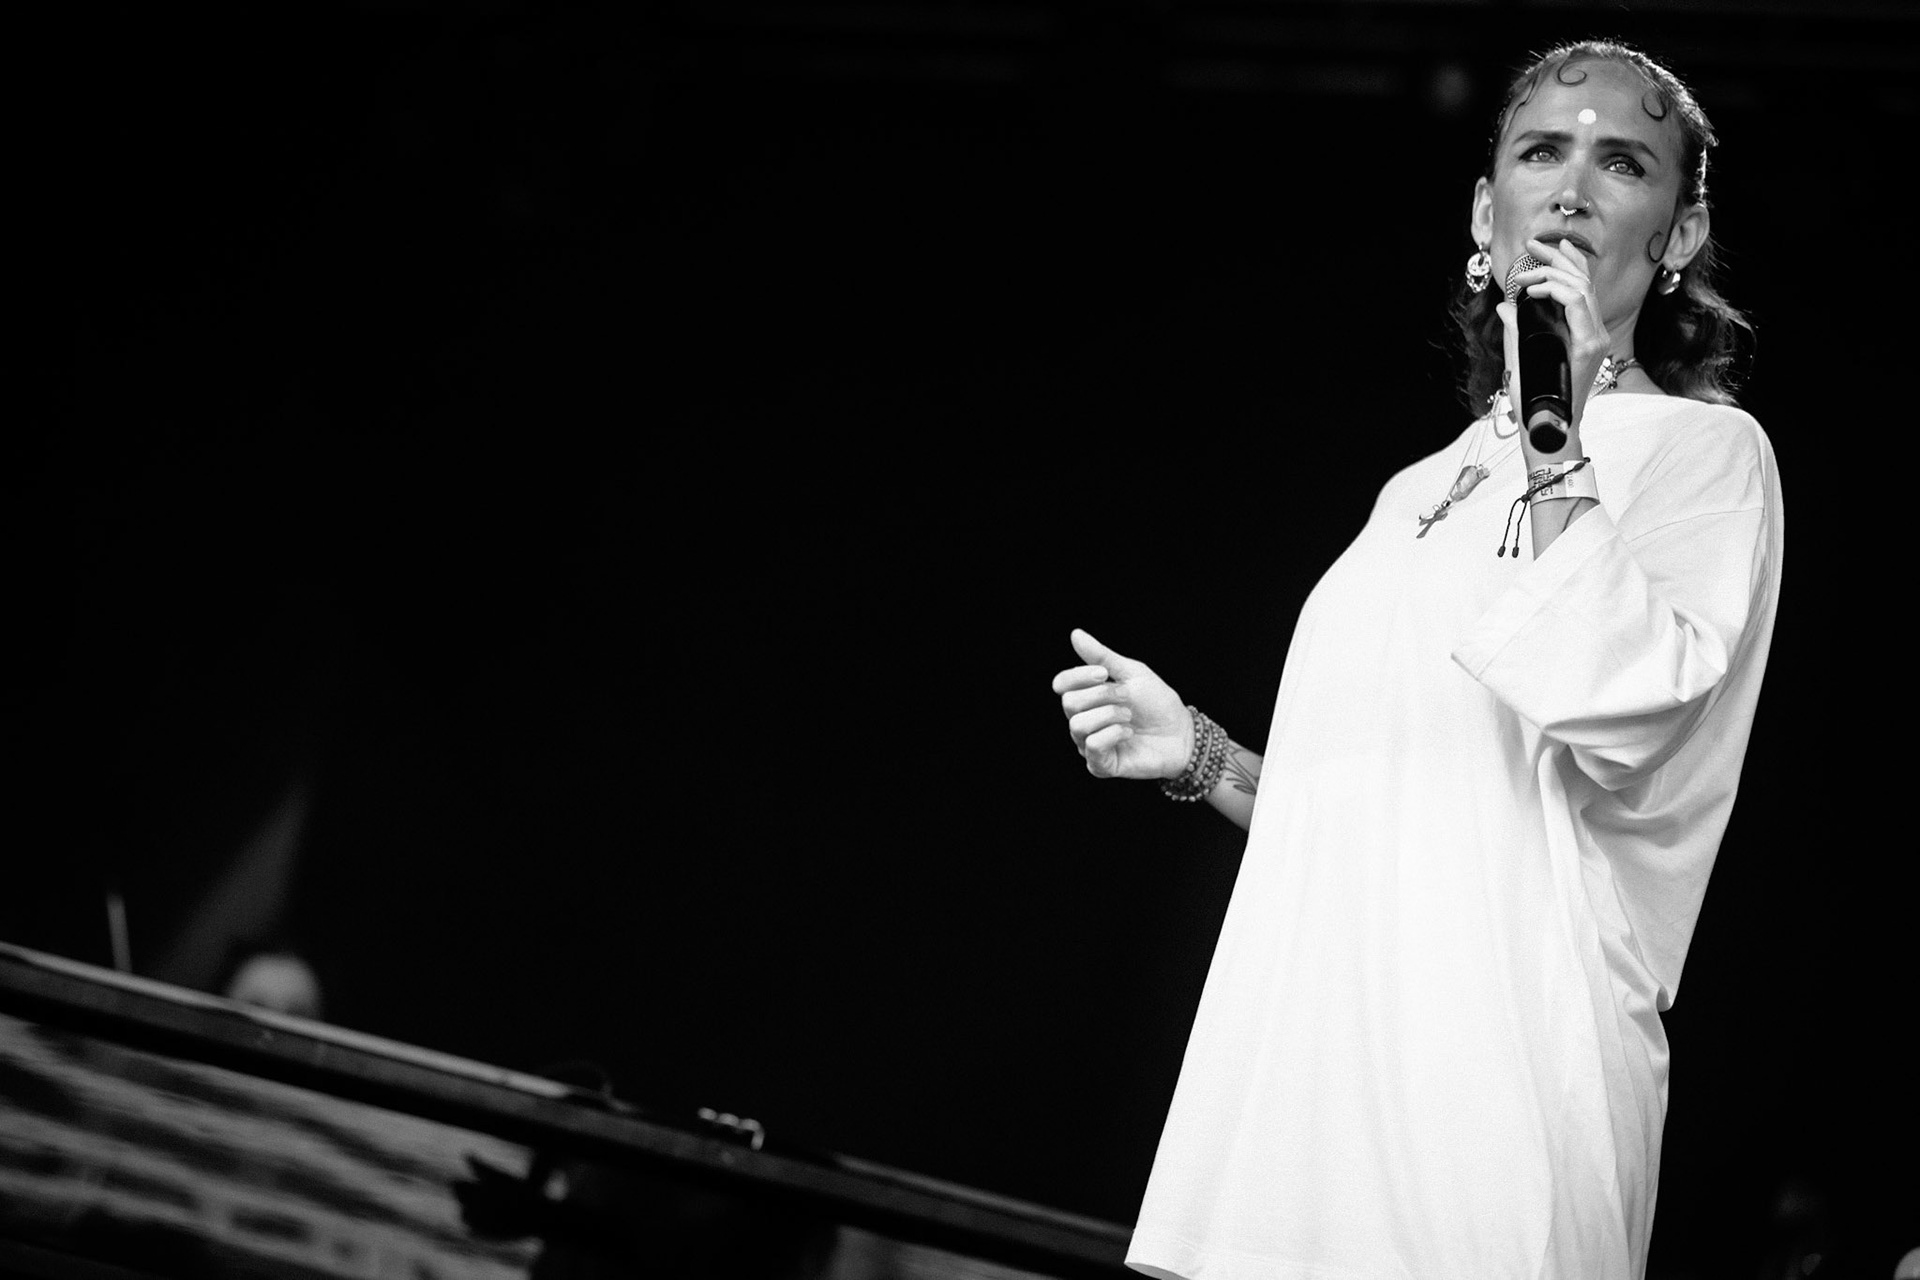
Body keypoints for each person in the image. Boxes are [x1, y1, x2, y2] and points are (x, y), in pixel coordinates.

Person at [1052, 40, 1781, 1280]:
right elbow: (1399, 809)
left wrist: (1560, 424)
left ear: (1680, 231)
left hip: (1498, 1081)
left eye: (1622, 163)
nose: (1572, 189)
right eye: (1541, 153)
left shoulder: (1706, 454)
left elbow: (1628, 708)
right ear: (1485, 214)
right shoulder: (1414, 490)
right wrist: (1206, 757)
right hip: (1313, 1061)